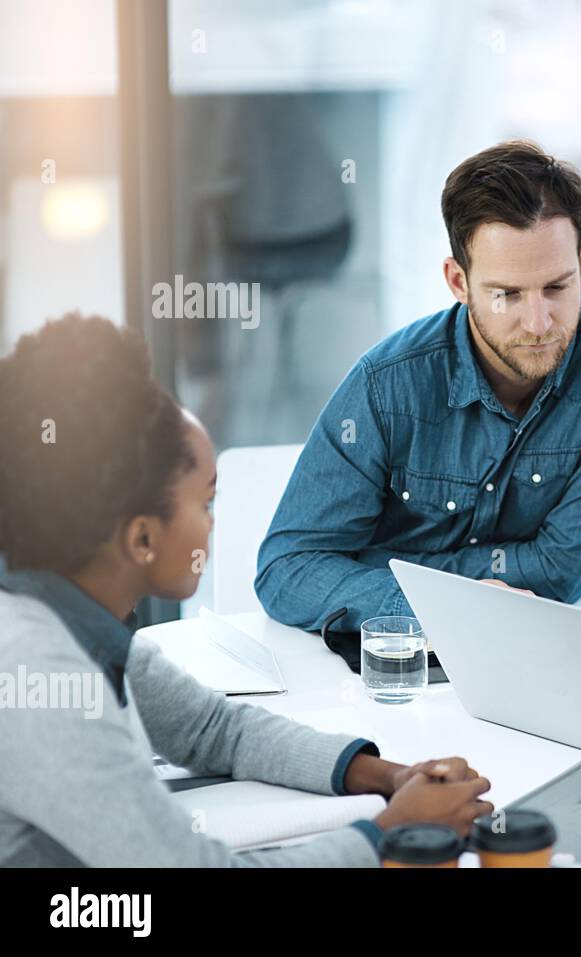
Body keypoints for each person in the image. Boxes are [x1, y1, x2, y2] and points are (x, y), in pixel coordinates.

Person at [0, 314, 493, 866]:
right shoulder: (38, 675)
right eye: (205, 503)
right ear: (142, 537)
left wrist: (391, 777)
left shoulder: (75, 625)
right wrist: (390, 835)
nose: (213, 525)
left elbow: (215, 730)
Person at [256, 140, 581, 634]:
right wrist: (445, 604)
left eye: (557, 288)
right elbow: (287, 569)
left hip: (540, 654)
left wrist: (388, 570)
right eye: (507, 295)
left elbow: (562, 571)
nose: (538, 323)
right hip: (390, 660)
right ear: (458, 281)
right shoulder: (387, 384)